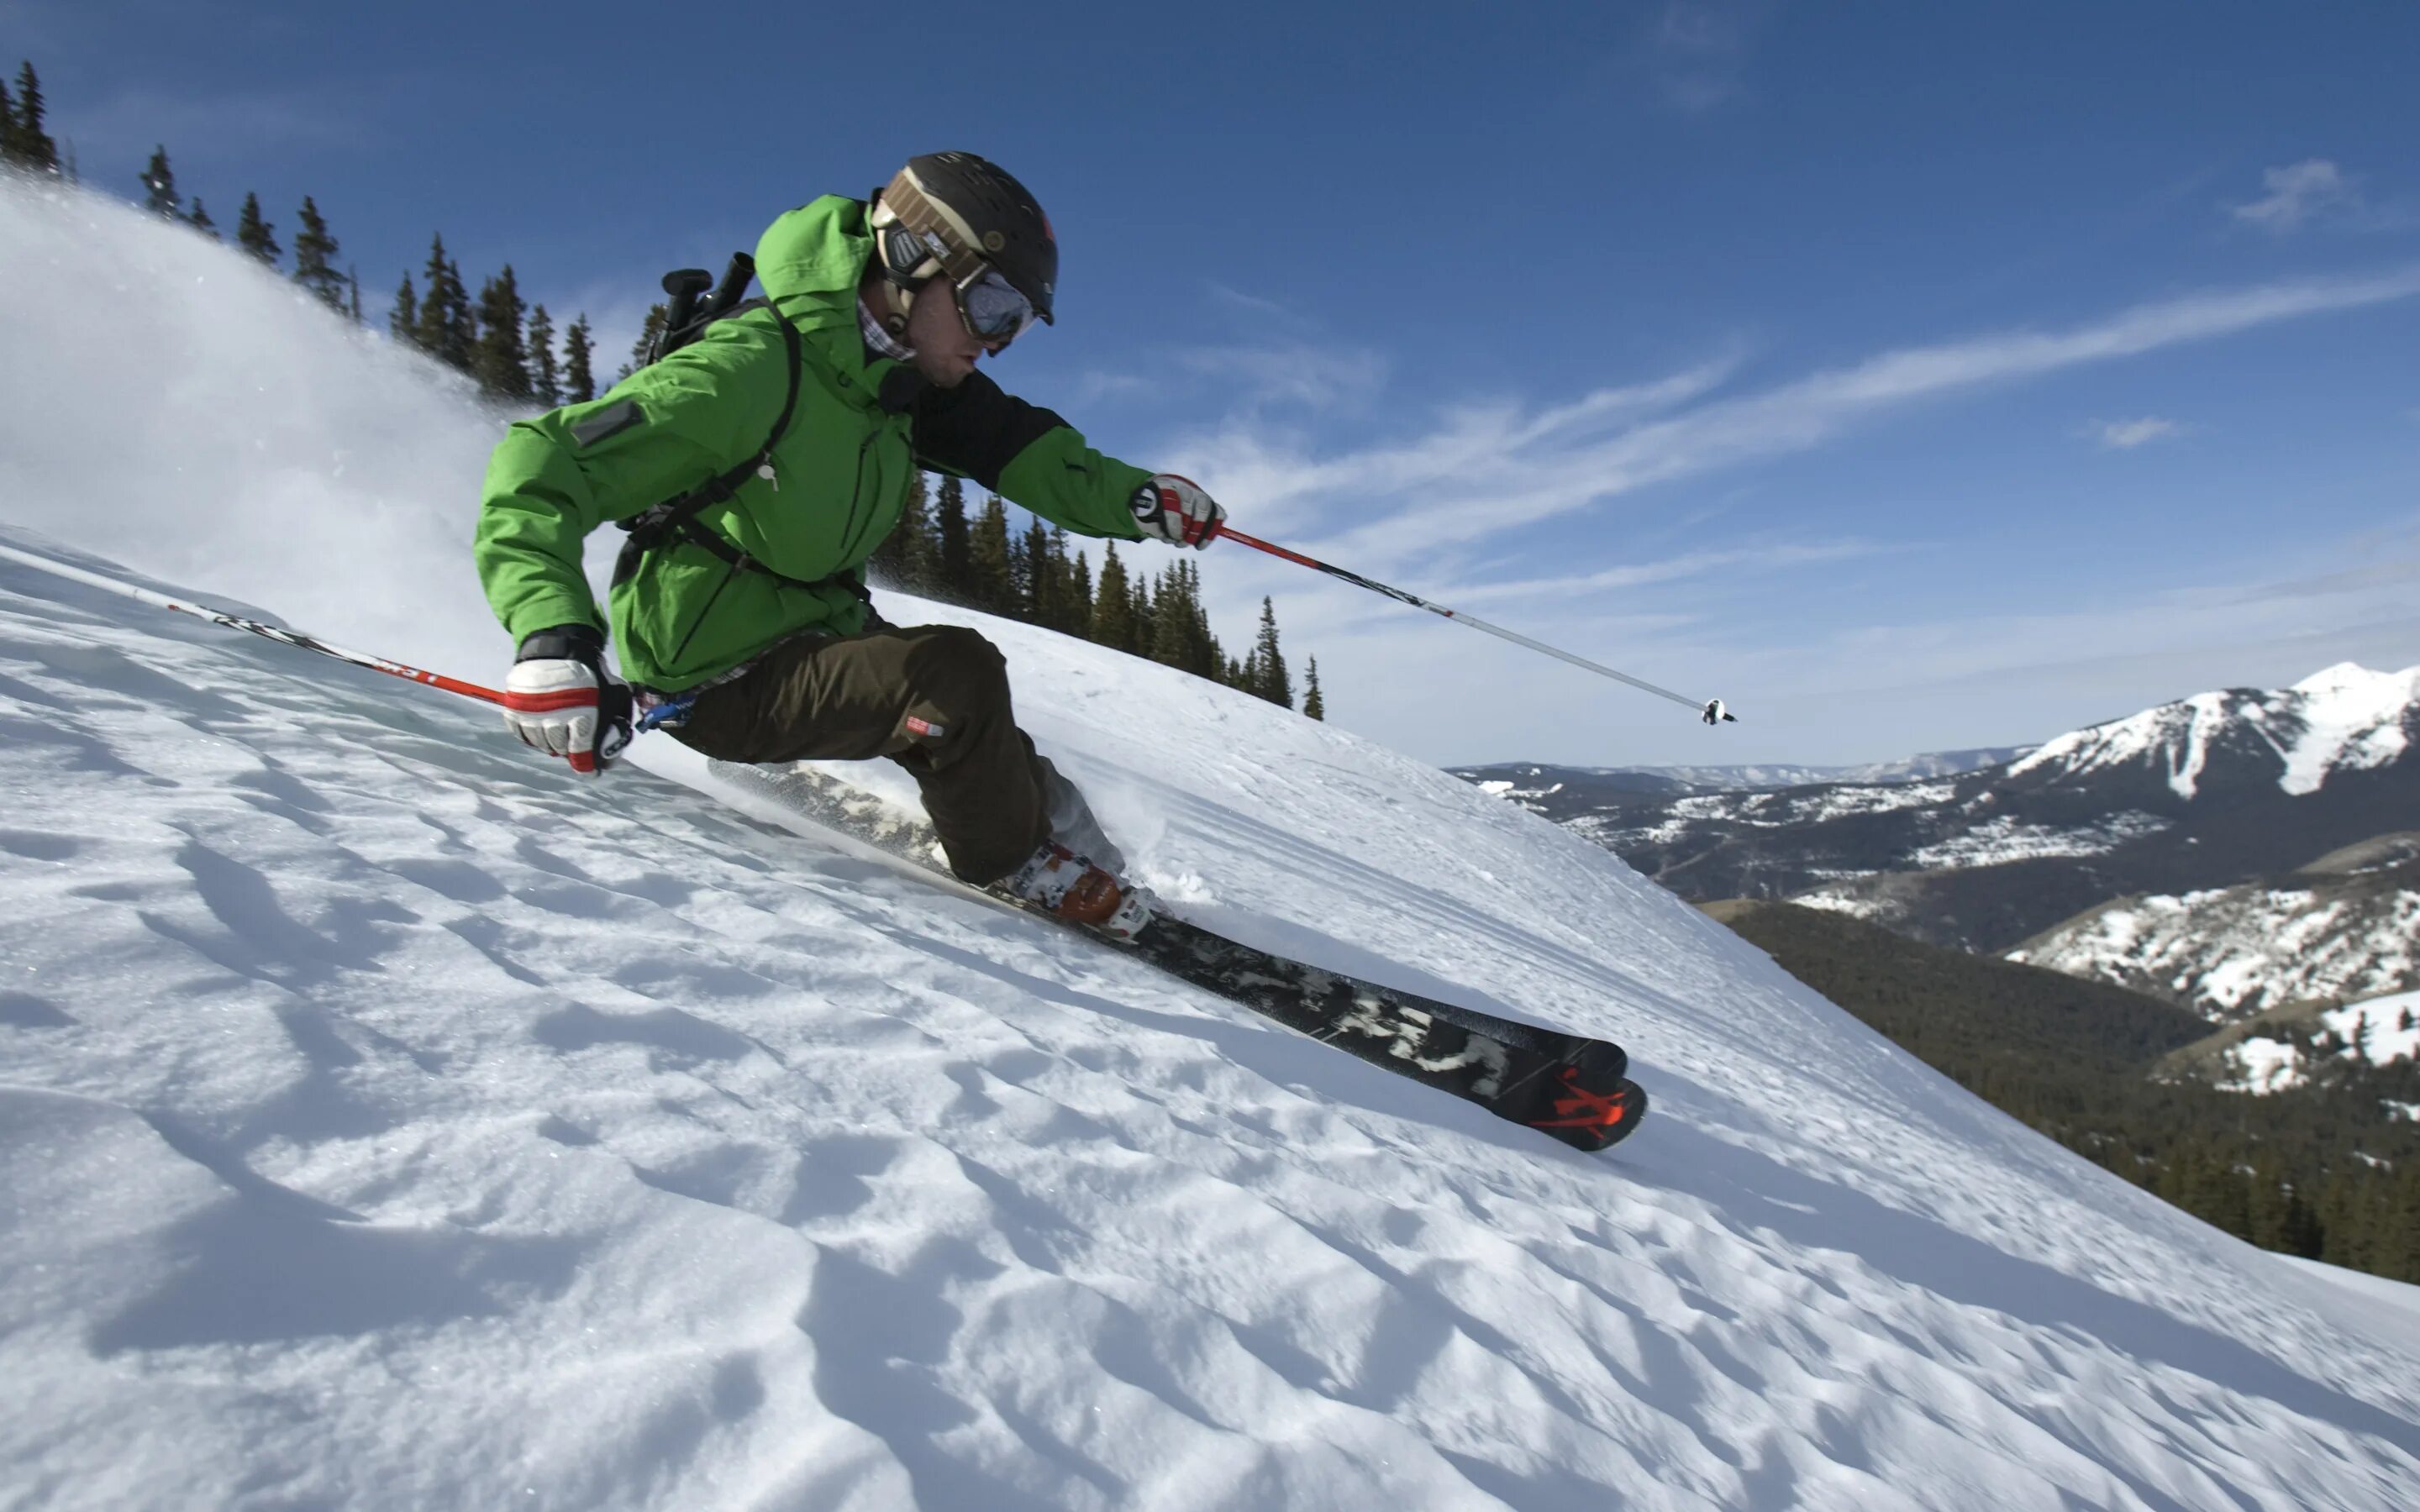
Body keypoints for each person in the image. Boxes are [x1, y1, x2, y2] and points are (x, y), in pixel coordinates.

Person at [472, 152, 1225, 937]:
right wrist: (553, 637)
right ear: (910, 261)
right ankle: (1020, 865)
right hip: (716, 674)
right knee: (953, 679)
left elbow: (1020, 447)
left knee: (1006, 758)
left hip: (813, 634)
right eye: (993, 306)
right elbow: (544, 464)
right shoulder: (752, 368)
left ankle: (1096, 869)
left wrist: (1137, 499)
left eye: (1018, 324)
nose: (997, 342)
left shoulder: (894, 380)